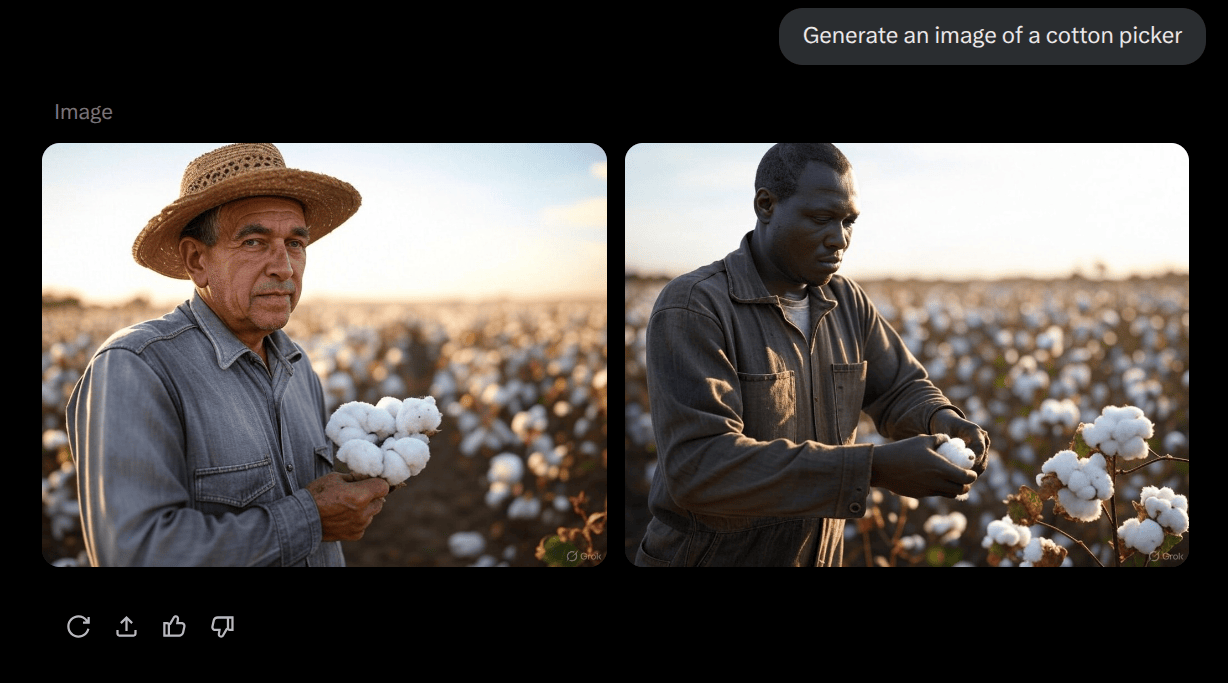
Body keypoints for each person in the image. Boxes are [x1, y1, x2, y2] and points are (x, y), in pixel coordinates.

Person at [637, 143, 991, 567]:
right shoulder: (695, 306)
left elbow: (899, 387)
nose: (839, 239)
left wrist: (941, 419)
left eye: (849, 222)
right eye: (822, 218)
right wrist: (872, 469)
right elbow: (699, 467)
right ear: (765, 205)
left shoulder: (846, 300)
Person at [66, 143, 388, 566]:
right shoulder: (136, 367)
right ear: (196, 261)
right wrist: (309, 518)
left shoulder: (297, 366)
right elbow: (135, 554)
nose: (285, 268)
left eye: (295, 243)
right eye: (254, 242)